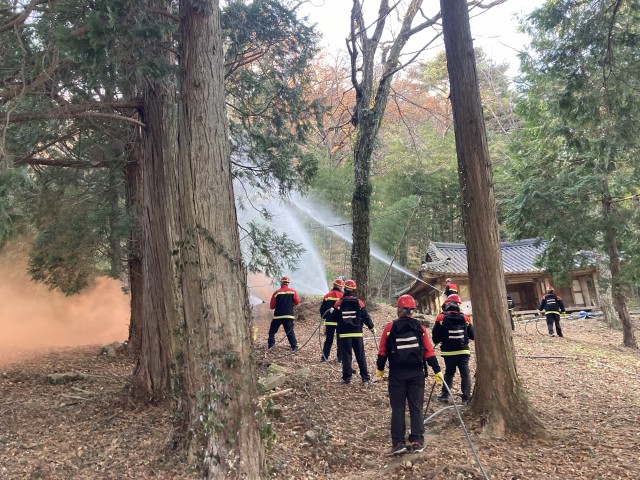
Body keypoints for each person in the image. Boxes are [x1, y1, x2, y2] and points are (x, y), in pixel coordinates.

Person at [375, 294, 443, 455]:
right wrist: (437, 370)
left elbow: (382, 351)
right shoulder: (420, 328)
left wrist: (380, 368)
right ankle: (417, 440)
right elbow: (428, 351)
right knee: (416, 407)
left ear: (399, 309)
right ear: (412, 310)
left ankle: (398, 443)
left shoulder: (390, 328)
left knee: (398, 408)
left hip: (397, 373)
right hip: (417, 373)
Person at [432, 294, 474, 404]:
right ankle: (466, 398)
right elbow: (473, 335)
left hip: (448, 352)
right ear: (459, 305)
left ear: (446, 304)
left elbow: (435, 337)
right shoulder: (465, 318)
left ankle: (445, 395)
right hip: (463, 351)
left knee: (449, 373)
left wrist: (441, 339)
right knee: (465, 374)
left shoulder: (441, 317)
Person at [332, 279, 375, 384]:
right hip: (357, 333)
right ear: (354, 290)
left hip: (344, 334)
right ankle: (365, 378)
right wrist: (372, 327)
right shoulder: (359, 302)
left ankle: (347, 378)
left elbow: (334, 317)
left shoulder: (339, 302)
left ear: (344, 289)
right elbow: (365, 316)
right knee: (360, 356)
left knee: (346, 356)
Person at [267, 276, 301, 351]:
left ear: (281, 283)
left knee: (272, 331)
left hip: (278, 316)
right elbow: (297, 301)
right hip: (289, 316)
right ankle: (294, 346)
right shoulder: (293, 292)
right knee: (290, 331)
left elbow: (272, 306)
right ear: (288, 283)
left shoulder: (276, 293)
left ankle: (271, 345)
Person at [319, 278, 345, 362]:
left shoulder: (327, 296)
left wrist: (325, 317)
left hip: (329, 321)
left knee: (328, 340)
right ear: (341, 287)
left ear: (334, 285)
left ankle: (324, 358)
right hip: (340, 322)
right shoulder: (343, 296)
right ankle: (340, 358)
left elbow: (322, 310)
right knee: (340, 340)